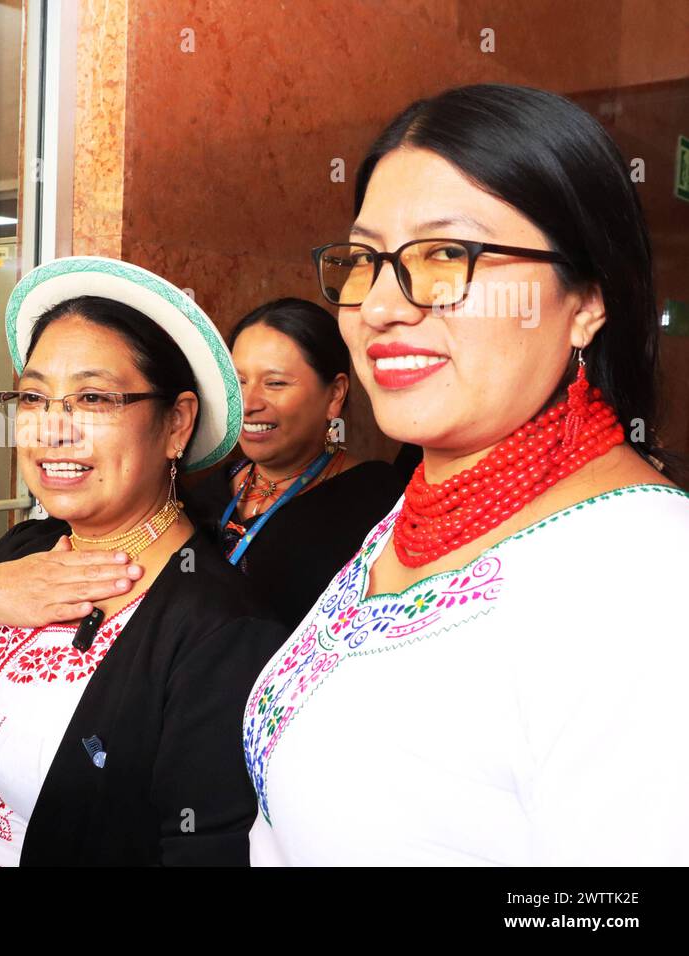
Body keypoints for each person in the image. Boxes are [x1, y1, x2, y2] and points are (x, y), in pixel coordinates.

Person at [243, 83, 689, 865]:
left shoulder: (648, 578)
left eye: (446, 255)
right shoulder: (423, 510)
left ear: (586, 300)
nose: (380, 306)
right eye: (365, 260)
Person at [0, 256, 285, 866]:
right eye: (33, 397)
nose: (52, 431)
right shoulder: (31, 545)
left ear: (176, 424)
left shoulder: (223, 633)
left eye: (93, 397)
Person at [187, 298, 406, 629]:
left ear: (334, 395)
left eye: (275, 383)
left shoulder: (378, 503)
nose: (248, 403)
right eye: (240, 381)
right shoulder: (206, 496)